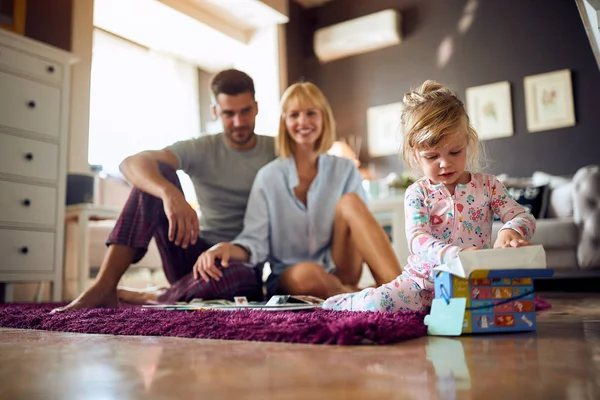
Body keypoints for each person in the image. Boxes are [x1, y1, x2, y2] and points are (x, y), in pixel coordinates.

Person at [53, 69, 276, 312]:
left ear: (256, 107)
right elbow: (130, 164)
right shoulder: (202, 147)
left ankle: (162, 296)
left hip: (241, 260)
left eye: (245, 112)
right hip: (192, 253)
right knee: (155, 175)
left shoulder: (276, 149)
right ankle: (104, 286)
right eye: (228, 113)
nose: (238, 122)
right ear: (215, 112)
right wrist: (168, 193)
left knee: (236, 278)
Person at [322, 80, 536, 312]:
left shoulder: (489, 186)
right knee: (377, 303)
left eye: (455, 152)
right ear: (415, 156)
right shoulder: (417, 192)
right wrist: (457, 254)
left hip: (472, 283)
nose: (445, 163)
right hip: (421, 285)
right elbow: (418, 240)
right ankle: (339, 302)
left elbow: (523, 216)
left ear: (468, 142)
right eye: (432, 156)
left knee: (511, 304)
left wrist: (510, 231)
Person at [193, 82, 402, 300]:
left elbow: (360, 229)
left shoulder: (345, 169)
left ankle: (400, 291)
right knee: (309, 274)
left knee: (351, 201)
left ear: (323, 118)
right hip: (291, 276)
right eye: (294, 115)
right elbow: (255, 240)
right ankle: (363, 296)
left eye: (311, 113)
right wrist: (225, 248)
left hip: (340, 268)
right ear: (285, 122)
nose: (303, 121)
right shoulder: (268, 177)